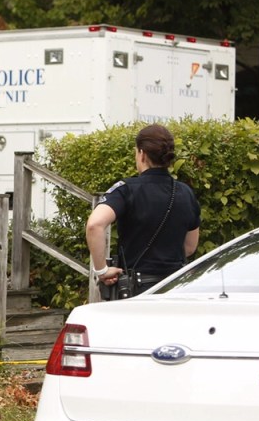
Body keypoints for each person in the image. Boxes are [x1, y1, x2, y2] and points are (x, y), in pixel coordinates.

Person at [86, 123, 200, 297]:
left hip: (137, 291)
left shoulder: (126, 189)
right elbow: (190, 247)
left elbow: (94, 225)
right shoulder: (185, 192)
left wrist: (102, 270)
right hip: (175, 290)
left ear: (142, 154)